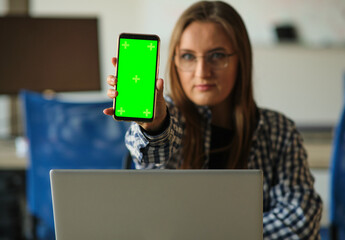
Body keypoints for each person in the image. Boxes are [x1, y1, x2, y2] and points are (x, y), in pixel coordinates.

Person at [104, 1, 323, 239]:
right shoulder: (170, 117)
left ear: (242, 58)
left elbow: (301, 220)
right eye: (188, 56)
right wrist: (154, 127)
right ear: (175, 62)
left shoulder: (279, 130)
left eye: (217, 55)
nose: (202, 72)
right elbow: (150, 157)